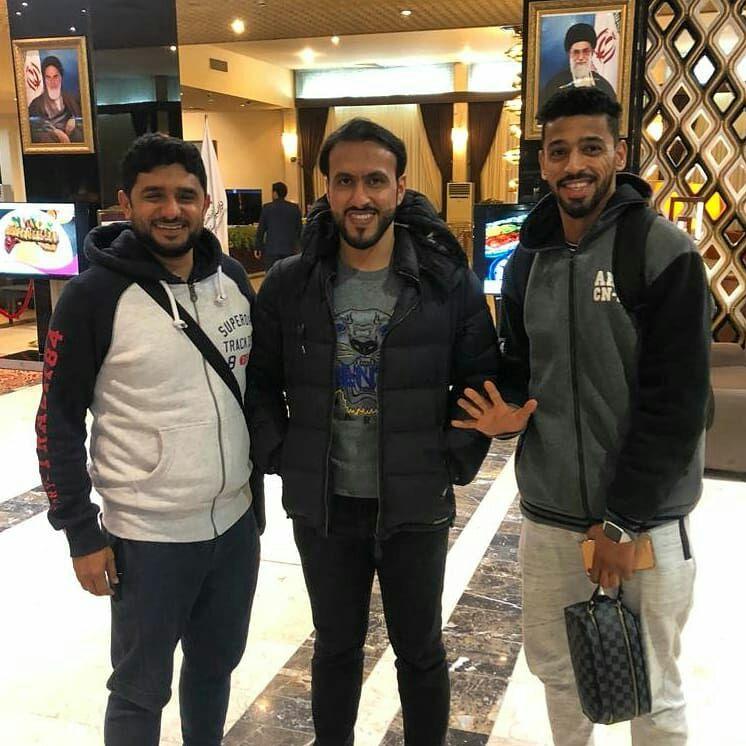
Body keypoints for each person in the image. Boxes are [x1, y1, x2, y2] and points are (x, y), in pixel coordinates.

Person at [247, 117, 535, 746]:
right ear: (326, 189)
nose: (360, 197)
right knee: (335, 648)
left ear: (400, 188)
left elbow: (480, 379)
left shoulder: (444, 282)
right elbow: (260, 384)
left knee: (421, 651)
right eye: (345, 181)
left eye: (375, 181)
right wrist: (284, 454)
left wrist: (448, 460)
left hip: (415, 506)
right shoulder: (291, 284)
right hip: (326, 508)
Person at [454, 87, 710, 745]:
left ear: (618, 153)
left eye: (590, 148)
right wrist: (507, 411)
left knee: (653, 694)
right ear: (543, 161)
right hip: (551, 520)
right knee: (560, 677)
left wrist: (621, 523)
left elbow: (677, 408)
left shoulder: (663, 252)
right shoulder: (526, 260)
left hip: (645, 523)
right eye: (559, 151)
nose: (574, 165)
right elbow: (521, 365)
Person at [35, 133, 264, 746]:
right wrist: (81, 533)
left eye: (185, 195)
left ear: (205, 202)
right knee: (140, 690)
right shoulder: (93, 296)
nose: (171, 209)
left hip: (234, 527)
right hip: (148, 537)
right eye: (154, 195)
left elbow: (255, 389)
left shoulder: (231, 279)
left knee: (215, 668)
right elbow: (56, 421)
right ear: (126, 203)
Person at [538, 23, 617, 112]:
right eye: (576, 52)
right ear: (569, 54)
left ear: (592, 53)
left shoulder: (604, 87)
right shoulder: (555, 86)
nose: (581, 57)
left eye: (585, 51)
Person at [28, 55, 83, 144]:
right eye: (48, 77)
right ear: (44, 80)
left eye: (55, 76)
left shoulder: (73, 100)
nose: (52, 82)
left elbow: (86, 120)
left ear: (61, 77)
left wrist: (75, 121)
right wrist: (54, 131)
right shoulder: (35, 104)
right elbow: (31, 124)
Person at [254, 180, 302, 272]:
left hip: (272, 251)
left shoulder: (267, 208)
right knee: (288, 276)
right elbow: (299, 229)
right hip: (290, 250)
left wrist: (258, 247)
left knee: (272, 276)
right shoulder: (294, 208)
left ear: (275, 193)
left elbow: (261, 230)